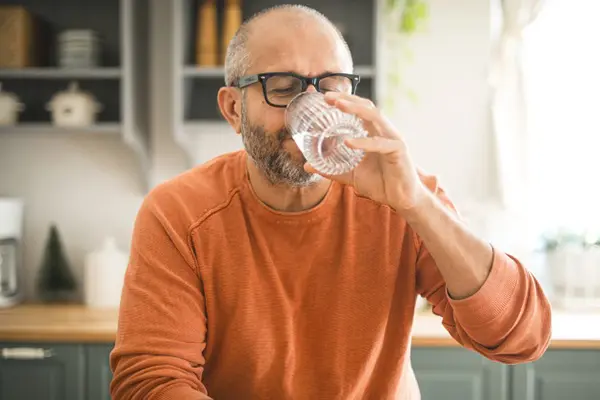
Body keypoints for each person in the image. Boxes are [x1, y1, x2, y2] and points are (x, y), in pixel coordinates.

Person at [110, 4, 552, 399]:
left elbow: (522, 337)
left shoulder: (401, 195)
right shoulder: (179, 212)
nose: (312, 105)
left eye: (331, 85)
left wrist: (416, 203)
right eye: (282, 88)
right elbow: (150, 379)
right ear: (232, 109)